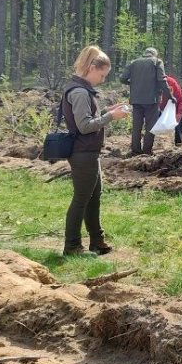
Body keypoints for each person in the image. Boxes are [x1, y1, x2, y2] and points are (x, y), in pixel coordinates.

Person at [61, 46, 130, 255]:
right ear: (92, 68)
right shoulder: (80, 92)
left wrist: (107, 111)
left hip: (88, 153)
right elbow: (85, 126)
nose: (102, 79)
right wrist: (111, 117)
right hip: (83, 154)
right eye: (102, 75)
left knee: (94, 196)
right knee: (82, 198)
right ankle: (72, 246)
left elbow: (88, 118)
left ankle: (97, 241)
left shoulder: (82, 90)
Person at [120, 47, 172, 155]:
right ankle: (147, 151)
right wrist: (170, 96)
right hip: (152, 100)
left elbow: (122, 78)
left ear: (145, 54)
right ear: (154, 54)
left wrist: (133, 83)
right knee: (151, 126)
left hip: (136, 100)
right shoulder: (157, 62)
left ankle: (135, 151)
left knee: (136, 126)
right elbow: (162, 80)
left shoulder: (133, 62)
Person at [160, 75, 182, 146]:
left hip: (174, 108)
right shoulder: (151, 82)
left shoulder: (172, 82)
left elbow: (181, 100)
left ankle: (180, 144)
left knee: (178, 124)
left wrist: (179, 114)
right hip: (158, 108)